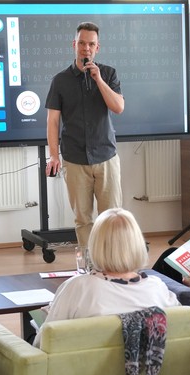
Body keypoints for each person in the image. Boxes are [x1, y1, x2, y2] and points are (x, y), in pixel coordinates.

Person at [33, 208, 180, 347]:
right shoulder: (157, 287)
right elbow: (181, 328)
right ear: (138, 244)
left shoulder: (78, 288)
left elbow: (43, 342)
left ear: (95, 245)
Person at [44, 21, 124, 247]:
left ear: (97, 47)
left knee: (113, 217)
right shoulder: (60, 80)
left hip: (106, 157)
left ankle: (111, 261)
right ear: (74, 44)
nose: (85, 48)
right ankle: (89, 263)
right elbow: (52, 121)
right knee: (83, 219)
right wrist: (53, 156)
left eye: (91, 44)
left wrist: (99, 80)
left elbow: (118, 107)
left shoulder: (108, 73)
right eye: (81, 43)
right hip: (75, 159)